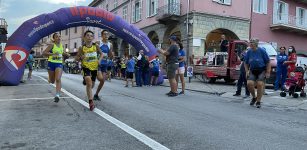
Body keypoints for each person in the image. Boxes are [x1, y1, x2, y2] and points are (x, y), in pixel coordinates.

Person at [76, 30, 103, 111]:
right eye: (87, 35)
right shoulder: (82, 48)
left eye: (91, 36)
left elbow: (101, 54)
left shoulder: (96, 46)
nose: (89, 37)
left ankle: (88, 88)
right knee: (89, 82)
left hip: (95, 67)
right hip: (86, 67)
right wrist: (80, 57)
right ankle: (91, 102)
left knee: (92, 85)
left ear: (93, 38)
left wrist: (99, 60)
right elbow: (76, 58)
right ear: (84, 37)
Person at [43, 33, 70, 103]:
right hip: (51, 63)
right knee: (52, 81)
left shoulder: (61, 46)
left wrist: (67, 54)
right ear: (54, 39)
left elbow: (62, 53)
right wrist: (52, 54)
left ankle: (57, 95)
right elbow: (44, 53)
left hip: (59, 63)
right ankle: (50, 77)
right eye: (57, 37)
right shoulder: (52, 45)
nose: (58, 38)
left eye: (59, 36)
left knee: (58, 79)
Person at [244, 38, 271, 108]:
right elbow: (245, 63)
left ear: (256, 44)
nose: (251, 44)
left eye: (252, 42)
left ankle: (258, 101)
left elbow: (268, 62)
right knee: (249, 83)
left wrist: (268, 72)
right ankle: (254, 97)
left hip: (261, 70)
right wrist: (247, 71)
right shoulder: (249, 51)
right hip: (253, 70)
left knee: (260, 84)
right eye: (250, 42)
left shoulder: (262, 51)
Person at [93, 30, 113, 101]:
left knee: (102, 81)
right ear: (102, 35)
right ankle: (93, 75)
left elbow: (110, 55)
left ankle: (96, 94)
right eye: (105, 34)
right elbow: (93, 51)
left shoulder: (110, 44)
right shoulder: (98, 43)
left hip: (105, 64)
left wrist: (111, 54)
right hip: (98, 63)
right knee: (100, 78)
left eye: (107, 34)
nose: (106, 35)